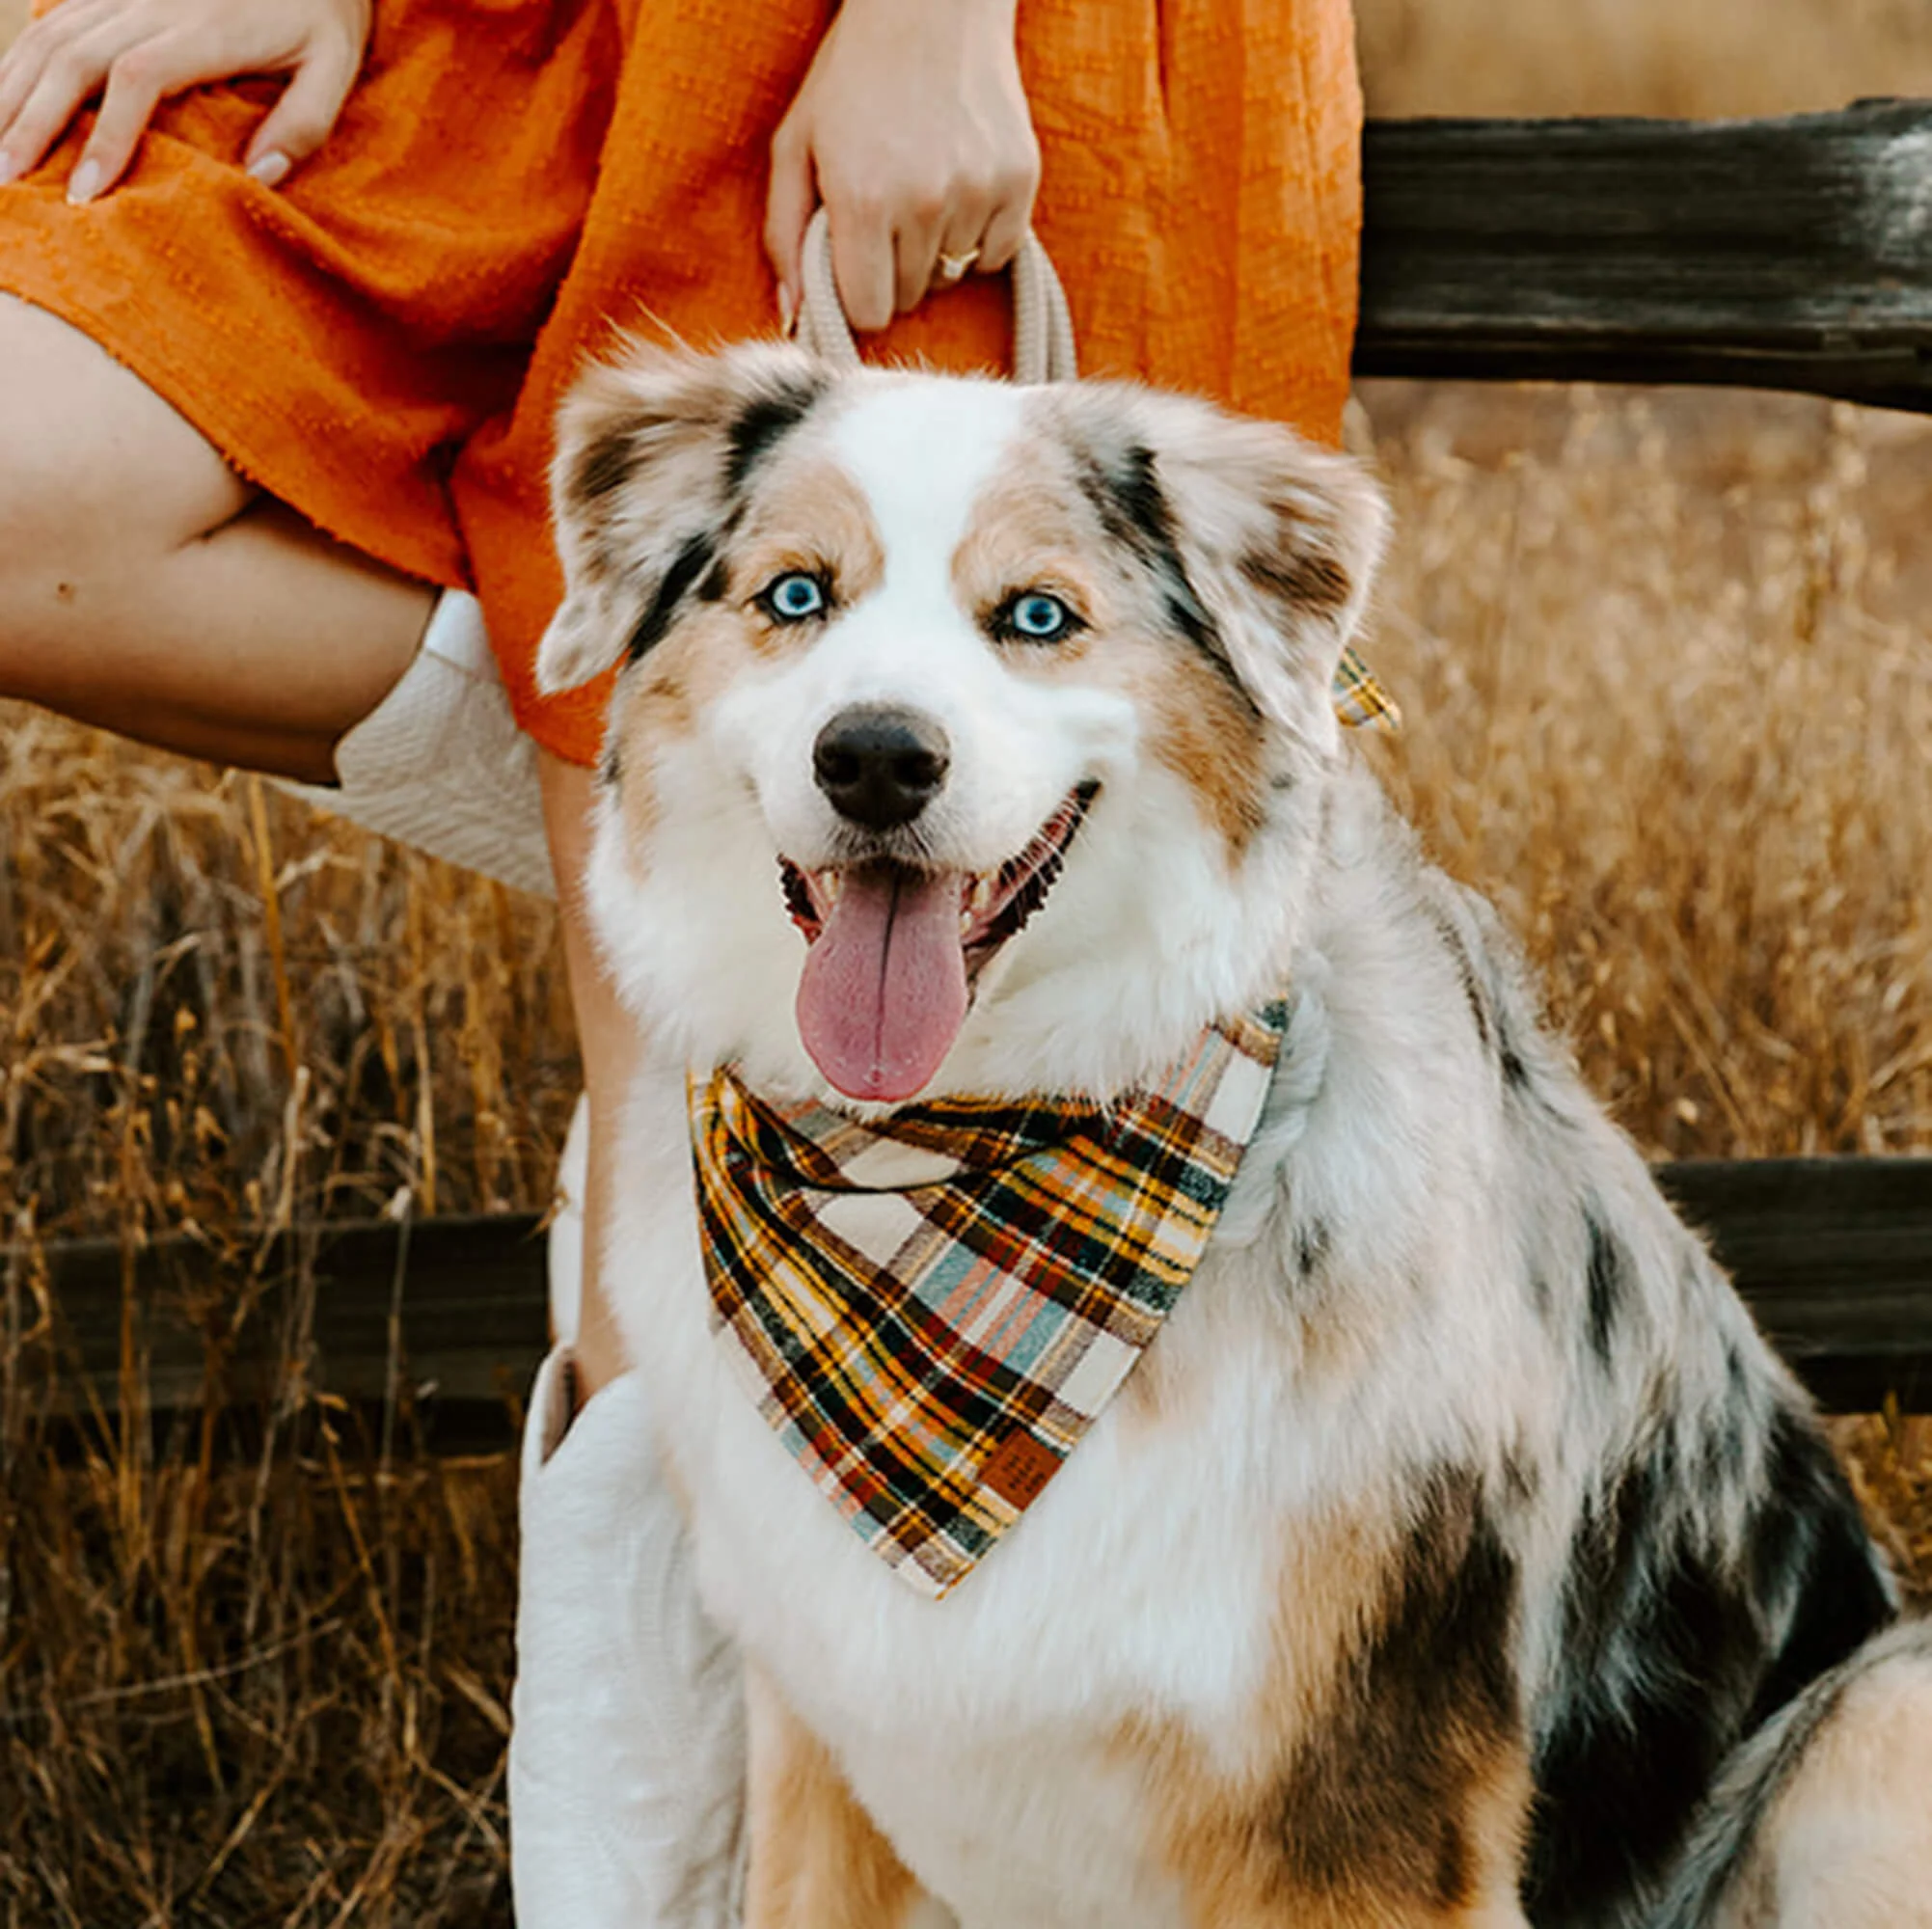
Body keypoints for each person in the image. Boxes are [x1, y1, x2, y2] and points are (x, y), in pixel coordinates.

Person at [0, 0, 1365, 1914]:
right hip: (559, 41)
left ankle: (647, 1898)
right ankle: (698, 771)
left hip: (912, 41)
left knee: (714, 1202)